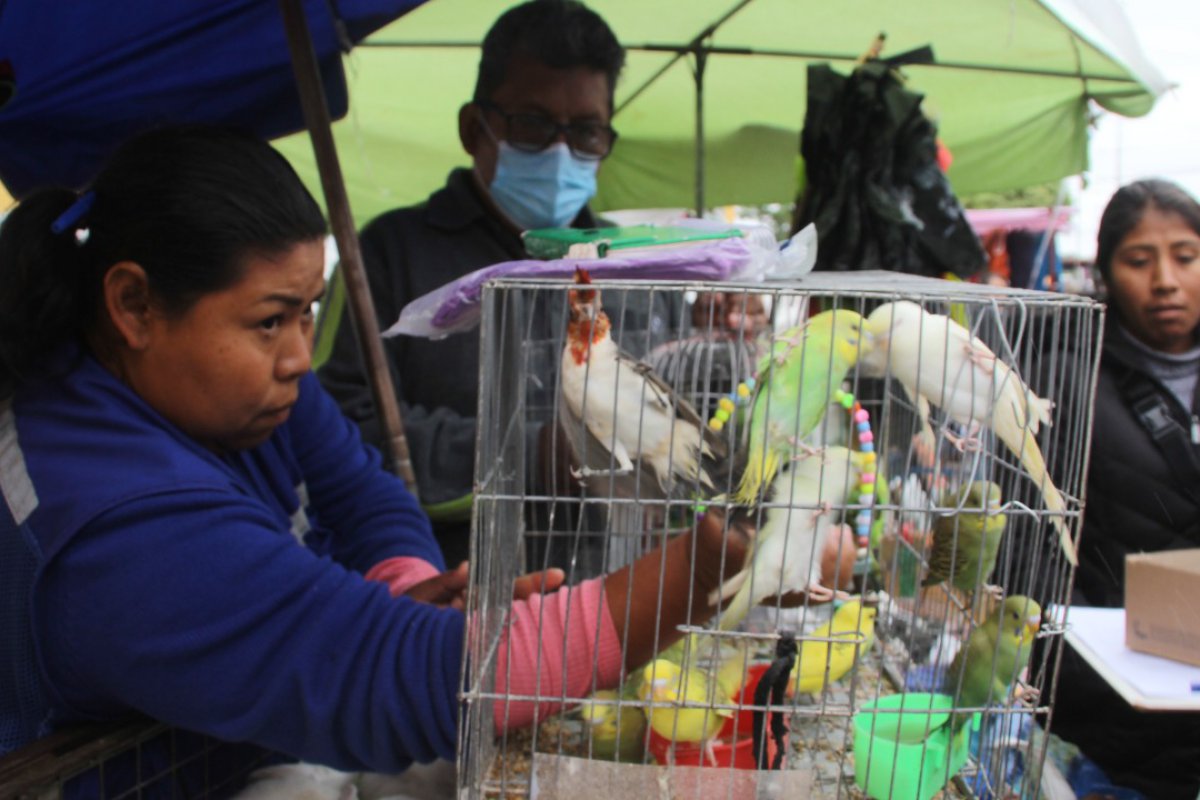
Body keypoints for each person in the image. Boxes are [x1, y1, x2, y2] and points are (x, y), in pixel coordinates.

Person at [0, 125, 756, 795]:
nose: (300, 354)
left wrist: (406, 586)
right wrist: (706, 563)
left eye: (309, 311)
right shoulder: (107, 514)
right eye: (269, 320)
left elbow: (365, 496)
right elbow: (404, 682)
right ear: (134, 306)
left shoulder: (240, 390)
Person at [316, 0, 681, 568]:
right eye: (533, 124)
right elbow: (335, 427)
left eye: (586, 131)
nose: (562, 152)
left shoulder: (635, 269)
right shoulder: (386, 255)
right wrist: (531, 454)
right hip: (438, 596)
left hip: (606, 599)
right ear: (473, 127)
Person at [1049, 179, 1200, 800]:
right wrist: (1094, 685)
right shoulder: (1066, 376)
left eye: (1186, 256)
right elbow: (1039, 553)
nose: (1165, 279)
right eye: (1139, 261)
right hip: (1122, 727)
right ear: (1108, 270)